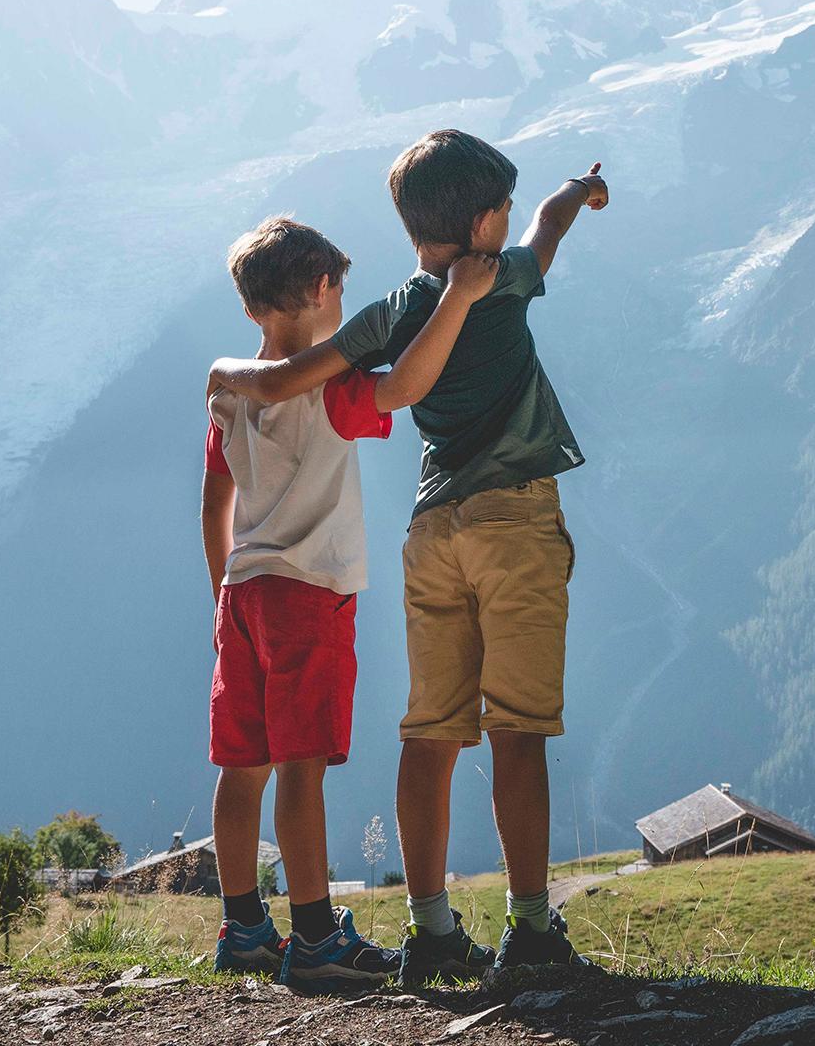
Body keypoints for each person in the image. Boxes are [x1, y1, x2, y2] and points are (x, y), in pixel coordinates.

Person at [209, 133, 608, 985]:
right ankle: (531, 931)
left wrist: (225, 369)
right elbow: (545, 232)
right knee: (520, 727)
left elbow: (285, 380)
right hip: (514, 520)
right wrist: (579, 193)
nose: (508, 215)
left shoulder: (389, 312)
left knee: (430, 731)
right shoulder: (500, 276)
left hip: (431, 533)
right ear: (479, 222)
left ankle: (429, 929)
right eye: (499, 205)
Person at [203, 216, 496, 987]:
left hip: (243, 593)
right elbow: (403, 386)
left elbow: (214, 506)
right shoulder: (329, 387)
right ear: (325, 288)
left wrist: (219, 596)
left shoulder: (229, 394)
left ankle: (242, 927)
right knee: (303, 767)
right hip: (310, 594)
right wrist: (458, 301)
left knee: (243, 766)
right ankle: (315, 939)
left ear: (250, 306)